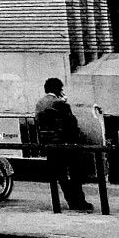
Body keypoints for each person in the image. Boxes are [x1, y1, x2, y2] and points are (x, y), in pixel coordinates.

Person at [33, 76, 95, 211]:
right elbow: (72, 124)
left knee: (61, 175)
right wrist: (65, 103)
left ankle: (70, 200)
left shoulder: (40, 103)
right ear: (58, 89)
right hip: (65, 144)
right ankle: (79, 201)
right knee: (75, 173)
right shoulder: (60, 104)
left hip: (49, 145)